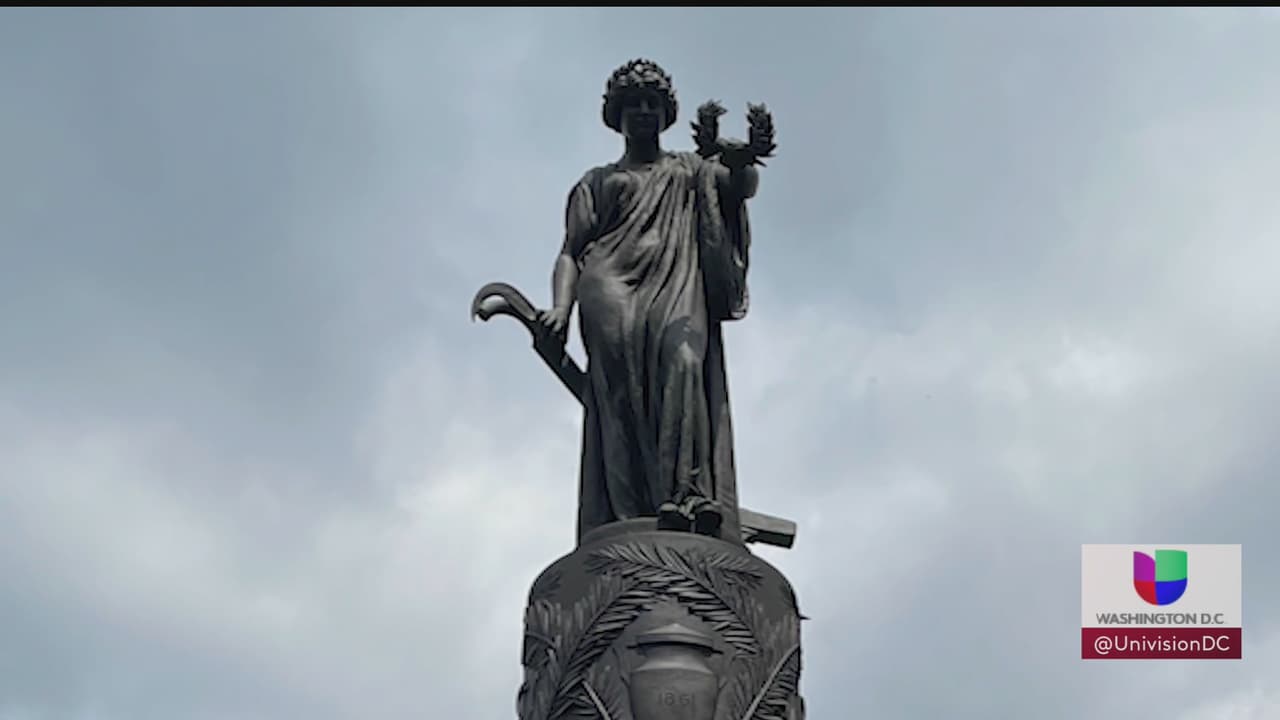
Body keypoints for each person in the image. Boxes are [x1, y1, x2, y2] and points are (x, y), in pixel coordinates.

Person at [538, 58, 763, 544]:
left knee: (684, 366)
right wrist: (560, 308)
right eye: (632, 103)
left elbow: (739, 188)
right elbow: (571, 253)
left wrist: (741, 161)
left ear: (666, 113)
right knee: (618, 393)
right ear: (615, 114)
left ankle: (688, 495)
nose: (642, 111)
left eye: (652, 103)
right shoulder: (595, 182)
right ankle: (626, 516)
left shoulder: (690, 169)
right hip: (610, 287)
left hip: (678, 283)